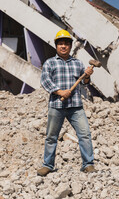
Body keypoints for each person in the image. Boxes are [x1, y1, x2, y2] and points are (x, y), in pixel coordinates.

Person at [37, 29, 95, 176]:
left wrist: (87, 76)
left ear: (70, 46)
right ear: (56, 46)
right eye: (60, 44)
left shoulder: (78, 63)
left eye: (66, 44)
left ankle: (88, 164)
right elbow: (45, 81)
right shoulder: (50, 63)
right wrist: (59, 91)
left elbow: (84, 84)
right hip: (56, 106)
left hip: (76, 106)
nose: (63, 46)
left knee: (85, 135)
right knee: (51, 137)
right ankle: (48, 165)